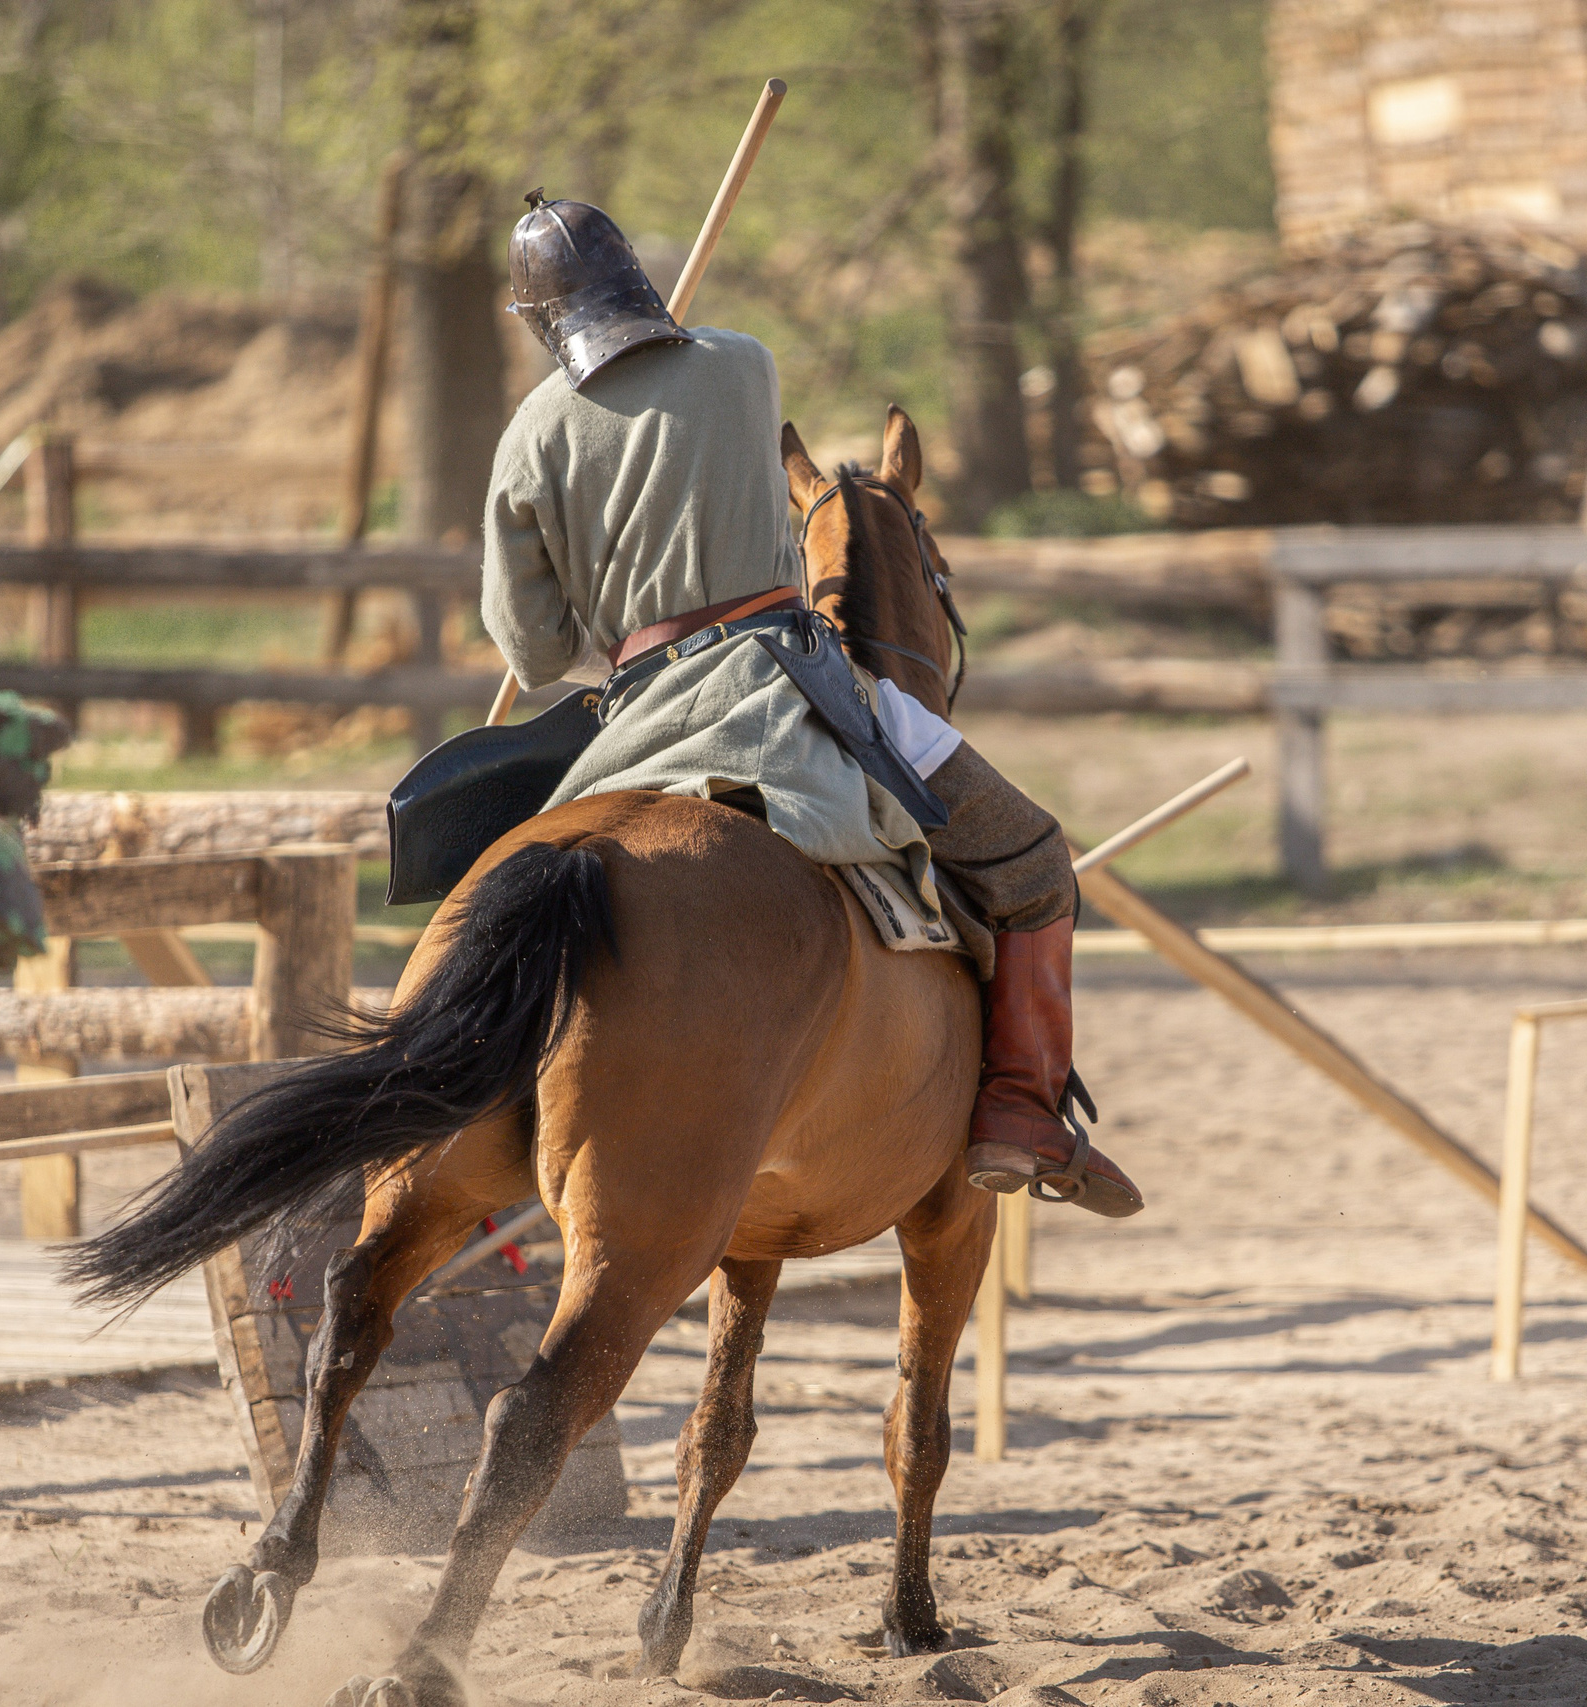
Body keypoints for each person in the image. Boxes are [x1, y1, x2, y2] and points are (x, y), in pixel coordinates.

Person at [480, 192, 1141, 1219]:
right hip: (782, 686)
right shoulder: (740, 364)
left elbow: (527, 647)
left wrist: (616, 645)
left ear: (539, 320)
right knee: (1034, 857)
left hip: (632, 712)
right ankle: (1018, 1109)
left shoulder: (527, 436)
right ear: (642, 286)